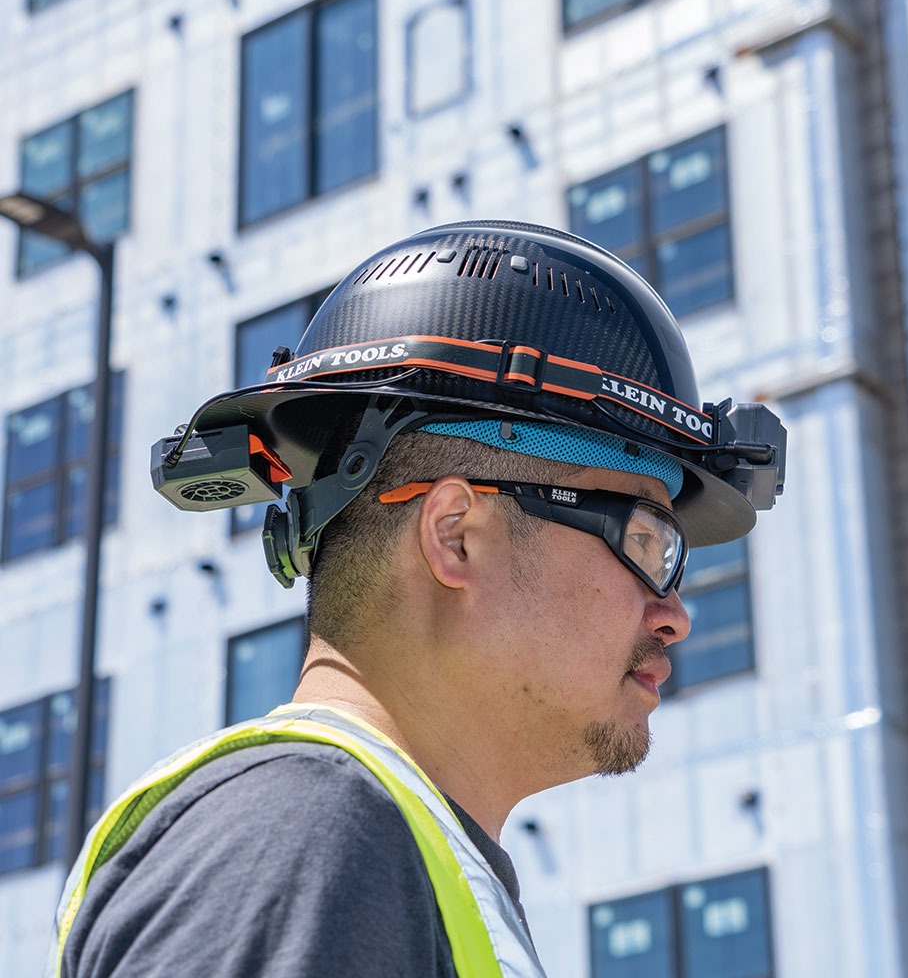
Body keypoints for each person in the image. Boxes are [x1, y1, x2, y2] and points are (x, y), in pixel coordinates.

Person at [48, 221, 786, 977]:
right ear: (457, 534)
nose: (674, 613)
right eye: (644, 540)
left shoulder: (373, 850)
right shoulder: (307, 835)